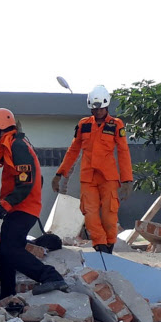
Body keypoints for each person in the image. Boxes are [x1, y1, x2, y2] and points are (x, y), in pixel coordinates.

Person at [0, 108, 68, 299]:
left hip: (23, 208)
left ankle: (50, 276)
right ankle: (7, 296)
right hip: (20, 208)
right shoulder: (14, 145)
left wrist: (6, 205)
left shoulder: (17, 146)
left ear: (0, 128)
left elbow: (26, 182)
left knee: (10, 250)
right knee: (3, 254)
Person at [52, 85, 133, 254]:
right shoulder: (83, 125)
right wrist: (60, 174)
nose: (97, 112)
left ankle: (109, 245)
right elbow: (73, 150)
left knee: (109, 215)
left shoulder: (116, 125)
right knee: (90, 215)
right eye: (94, 109)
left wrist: (127, 181)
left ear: (106, 105)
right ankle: (100, 245)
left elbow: (124, 152)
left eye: (100, 109)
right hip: (88, 178)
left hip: (108, 177)